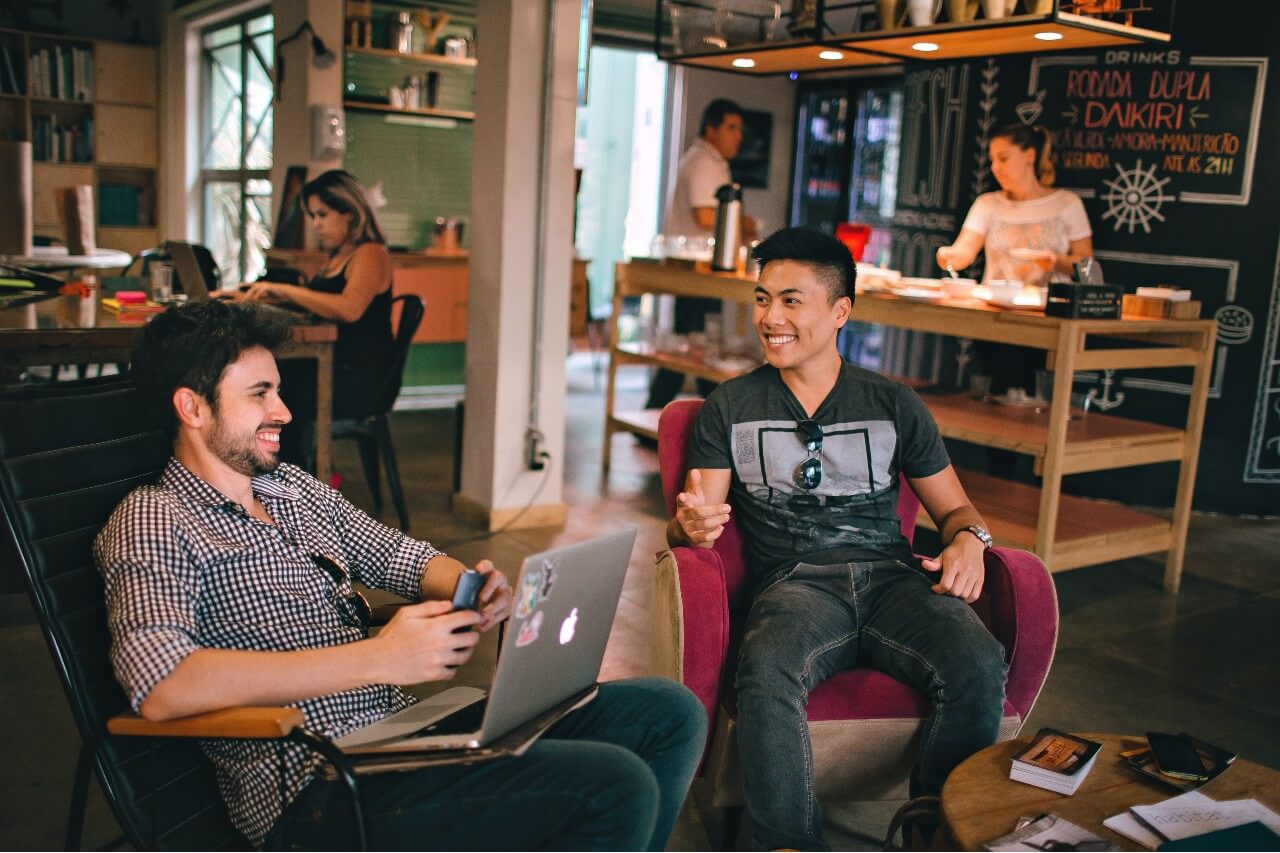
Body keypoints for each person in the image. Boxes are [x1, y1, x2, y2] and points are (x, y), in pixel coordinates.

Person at [95, 299, 707, 850]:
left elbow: (400, 556)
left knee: (667, 713)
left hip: (401, 740)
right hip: (317, 789)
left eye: (277, 390)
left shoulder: (289, 490)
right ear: (192, 406)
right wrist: (378, 659)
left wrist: (470, 587)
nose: (283, 409)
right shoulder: (155, 517)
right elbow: (161, 684)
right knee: (613, 786)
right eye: (259, 393)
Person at [668, 227, 1007, 850]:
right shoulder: (730, 405)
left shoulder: (894, 403)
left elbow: (957, 509)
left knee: (978, 663)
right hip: (795, 584)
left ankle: (939, 835)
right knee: (767, 667)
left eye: (791, 301)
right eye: (762, 298)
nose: (770, 318)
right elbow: (698, 515)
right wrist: (688, 526)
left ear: (840, 311)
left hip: (894, 580)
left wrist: (971, 540)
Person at [243, 170, 396, 465]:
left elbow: (349, 308)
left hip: (358, 378)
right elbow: (321, 304)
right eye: (313, 216)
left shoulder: (371, 254)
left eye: (322, 215)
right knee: (267, 382)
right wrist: (261, 296)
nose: (316, 225)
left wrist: (285, 291)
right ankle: (275, 475)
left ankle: (289, 480)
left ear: (349, 213)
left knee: (273, 391)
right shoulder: (338, 256)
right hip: (336, 365)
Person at [645, 98, 755, 413]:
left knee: (695, 344)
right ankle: (692, 414)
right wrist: (748, 222)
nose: (739, 136)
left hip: (703, 269)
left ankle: (701, 413)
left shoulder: (711, 161)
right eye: (732, 128)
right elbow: (707, 217)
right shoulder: (703, 161)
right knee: (694, 346)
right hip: (696, 269)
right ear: (711, 128)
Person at [936, 124, 1093, 285]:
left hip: (1050, 306)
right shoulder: (986, 204)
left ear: (1030, 156)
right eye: (993, 160)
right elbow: (965, 251)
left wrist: (1056, 261)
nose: (995, 168)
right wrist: (950, 256)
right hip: (994, 304)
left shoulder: (1068, 203)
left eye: (1003, 159)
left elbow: (1087, 265)